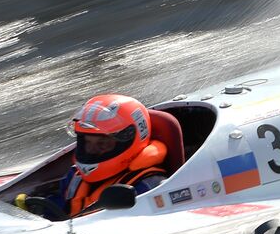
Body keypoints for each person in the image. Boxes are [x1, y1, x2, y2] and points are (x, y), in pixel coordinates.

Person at [16, 94, 168, 220]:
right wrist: (34, 209)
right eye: (87, 142)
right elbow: (63, 206)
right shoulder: (75, 176)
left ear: (129, 139)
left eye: (102, 143)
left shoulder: (149, 185)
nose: (92, 150)